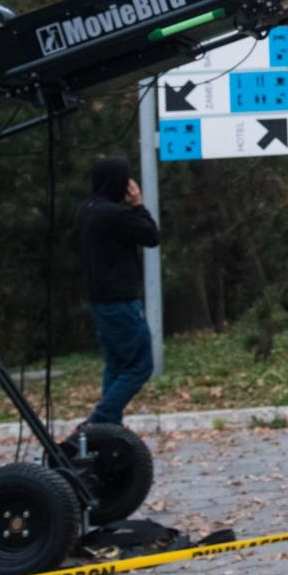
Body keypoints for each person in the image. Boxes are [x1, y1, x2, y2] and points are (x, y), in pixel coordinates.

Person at [75, 155, 160, 426]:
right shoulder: (114, 213)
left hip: (99, 299)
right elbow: (150, 235)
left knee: (116, 365)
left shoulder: (88, 209)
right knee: (139, 366)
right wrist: (138, 205)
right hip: (120, 301)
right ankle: (98, 423)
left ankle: (108, 429)